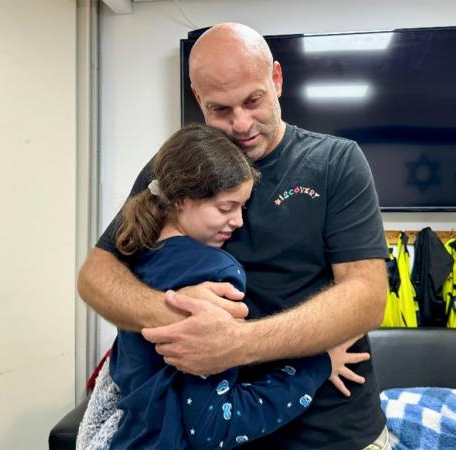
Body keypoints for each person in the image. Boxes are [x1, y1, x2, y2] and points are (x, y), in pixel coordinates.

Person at [79, 23, 389, 449]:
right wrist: (175, 317)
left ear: (276, 79)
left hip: (330, 428)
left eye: (253, 101)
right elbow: (97, 274)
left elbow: (368, 297)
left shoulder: (336, 161)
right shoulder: (178, 166)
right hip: (210, 428)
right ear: (197, 99)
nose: (241, 123)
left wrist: (237, 344)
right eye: (219, 110)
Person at [105, 123, 363, 449]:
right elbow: (215, 428)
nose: (239, 221)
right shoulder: (215, 275)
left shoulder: (137, 255)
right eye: (227, 208)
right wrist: (318, 366)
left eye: (243, 207)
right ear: (181, 200)